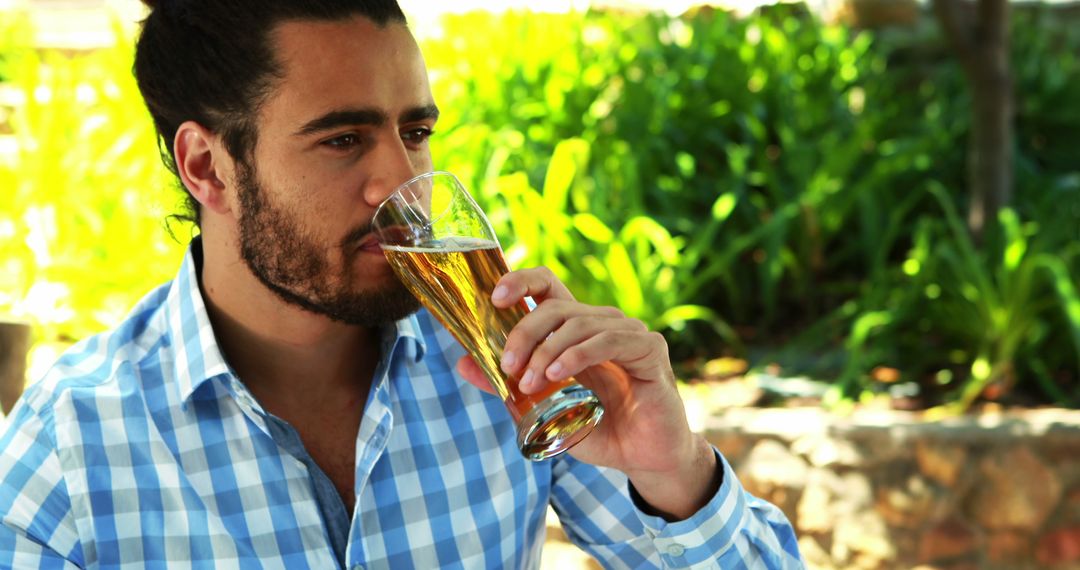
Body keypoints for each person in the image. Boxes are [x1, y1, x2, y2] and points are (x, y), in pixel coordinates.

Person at [0, 1, 803, 568]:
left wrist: (673, 472)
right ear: (208, 166)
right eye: (344, 139)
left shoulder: (507, 369)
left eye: (414, 132)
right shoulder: (72, 445)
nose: (400, 179)